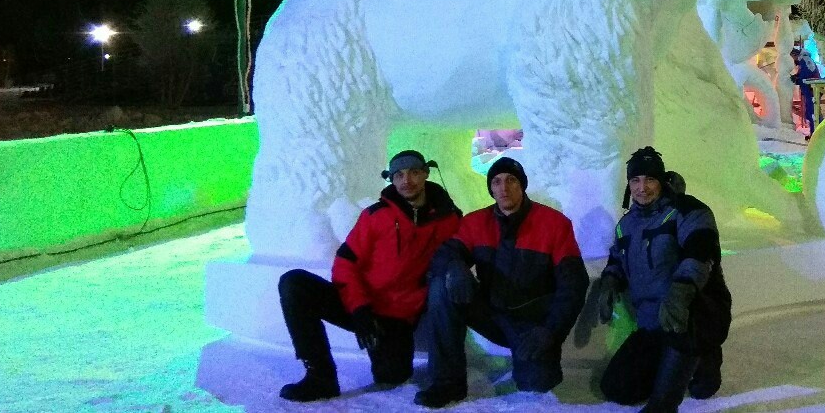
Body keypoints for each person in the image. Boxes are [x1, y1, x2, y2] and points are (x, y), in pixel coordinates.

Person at [276, 150, 462, 402]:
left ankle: (381, 346)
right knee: (294, 283)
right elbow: (345, 263)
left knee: (392, 376)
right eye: (399, 175)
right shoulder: (376, 216)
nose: (406, 180)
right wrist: (359, 308)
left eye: (414, 173)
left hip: (396, 318)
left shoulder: (448, 220)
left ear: (426, 174)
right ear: (392, 180)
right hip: (360, 305)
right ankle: (320, 377)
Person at [414, 157, 589, 408]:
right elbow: (445, 253)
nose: (504, 188)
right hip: (491, 313)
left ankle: (535, 362)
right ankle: (446, 382)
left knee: (537, 382)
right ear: (491, 189)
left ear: (522, 186)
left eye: (511, 180)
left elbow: (574, 284)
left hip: (531, 323)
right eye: (496, 182)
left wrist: (551, 331)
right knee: (442, 285)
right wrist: (455, 266)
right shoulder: (476, 222)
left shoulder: (554, 224)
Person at [589, 147, 732, 413]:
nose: (642, 188)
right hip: (654, 323)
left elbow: (700, 251)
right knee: (617, 387)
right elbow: (618, 259)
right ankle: (673, 364)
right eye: (635, 180)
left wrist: (680, 291)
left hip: (693, 313)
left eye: (650, 179)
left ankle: (677, 388)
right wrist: (610, 281)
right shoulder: (627, 224)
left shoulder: (687, 209)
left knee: (700, 383)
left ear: (662, 181)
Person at [791, 46, 821, 139]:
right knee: (811, 111)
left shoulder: (804, 60)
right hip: (810, 89)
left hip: (811, 89)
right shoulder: (805, 60)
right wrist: (797, 76)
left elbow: (805, 75)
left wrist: (797, 79)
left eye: (792, 57)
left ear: (795, 55)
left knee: (812, 112)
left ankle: (817, 133)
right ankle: (814, 132)